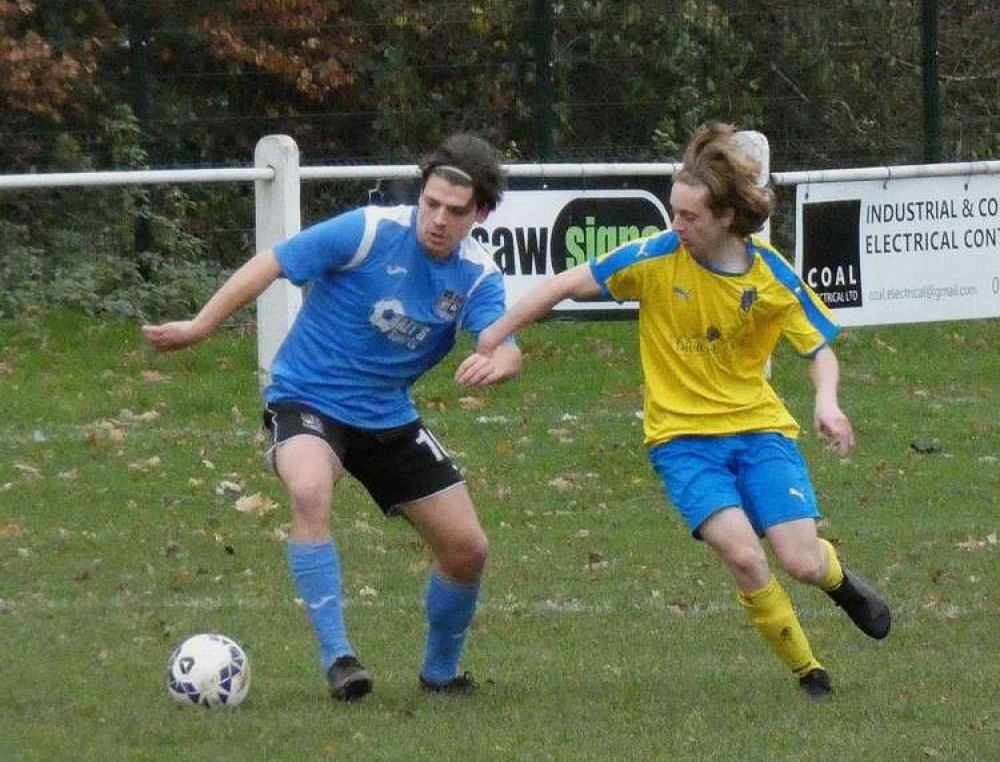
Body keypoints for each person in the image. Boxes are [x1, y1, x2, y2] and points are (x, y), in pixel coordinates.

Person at [474, 122, 890, 699]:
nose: (676, 225)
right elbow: (562, 285)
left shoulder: (770, 275)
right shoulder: (656, 258)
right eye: (673, 211)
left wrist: (827, 401)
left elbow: (818, 349)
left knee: (800, 561)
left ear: (726, 218)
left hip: (760, 431)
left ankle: (840, 582)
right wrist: (490, 339)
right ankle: (809, 672)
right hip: (683, 442)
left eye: (689, 216)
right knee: (745, 556)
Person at [144, 133, 521, 701]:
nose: (438, 219)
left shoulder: (476, 275)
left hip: (388, 414)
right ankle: (339, 658)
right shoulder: (369, 231)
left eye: (455, 211)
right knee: (311, 488)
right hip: (307, 398)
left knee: (468, 549)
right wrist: (202, 324)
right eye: (431, 203)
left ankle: (440, 674)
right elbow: (272, 263)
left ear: (481, 214)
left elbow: (504, 342)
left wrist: (500, 361)